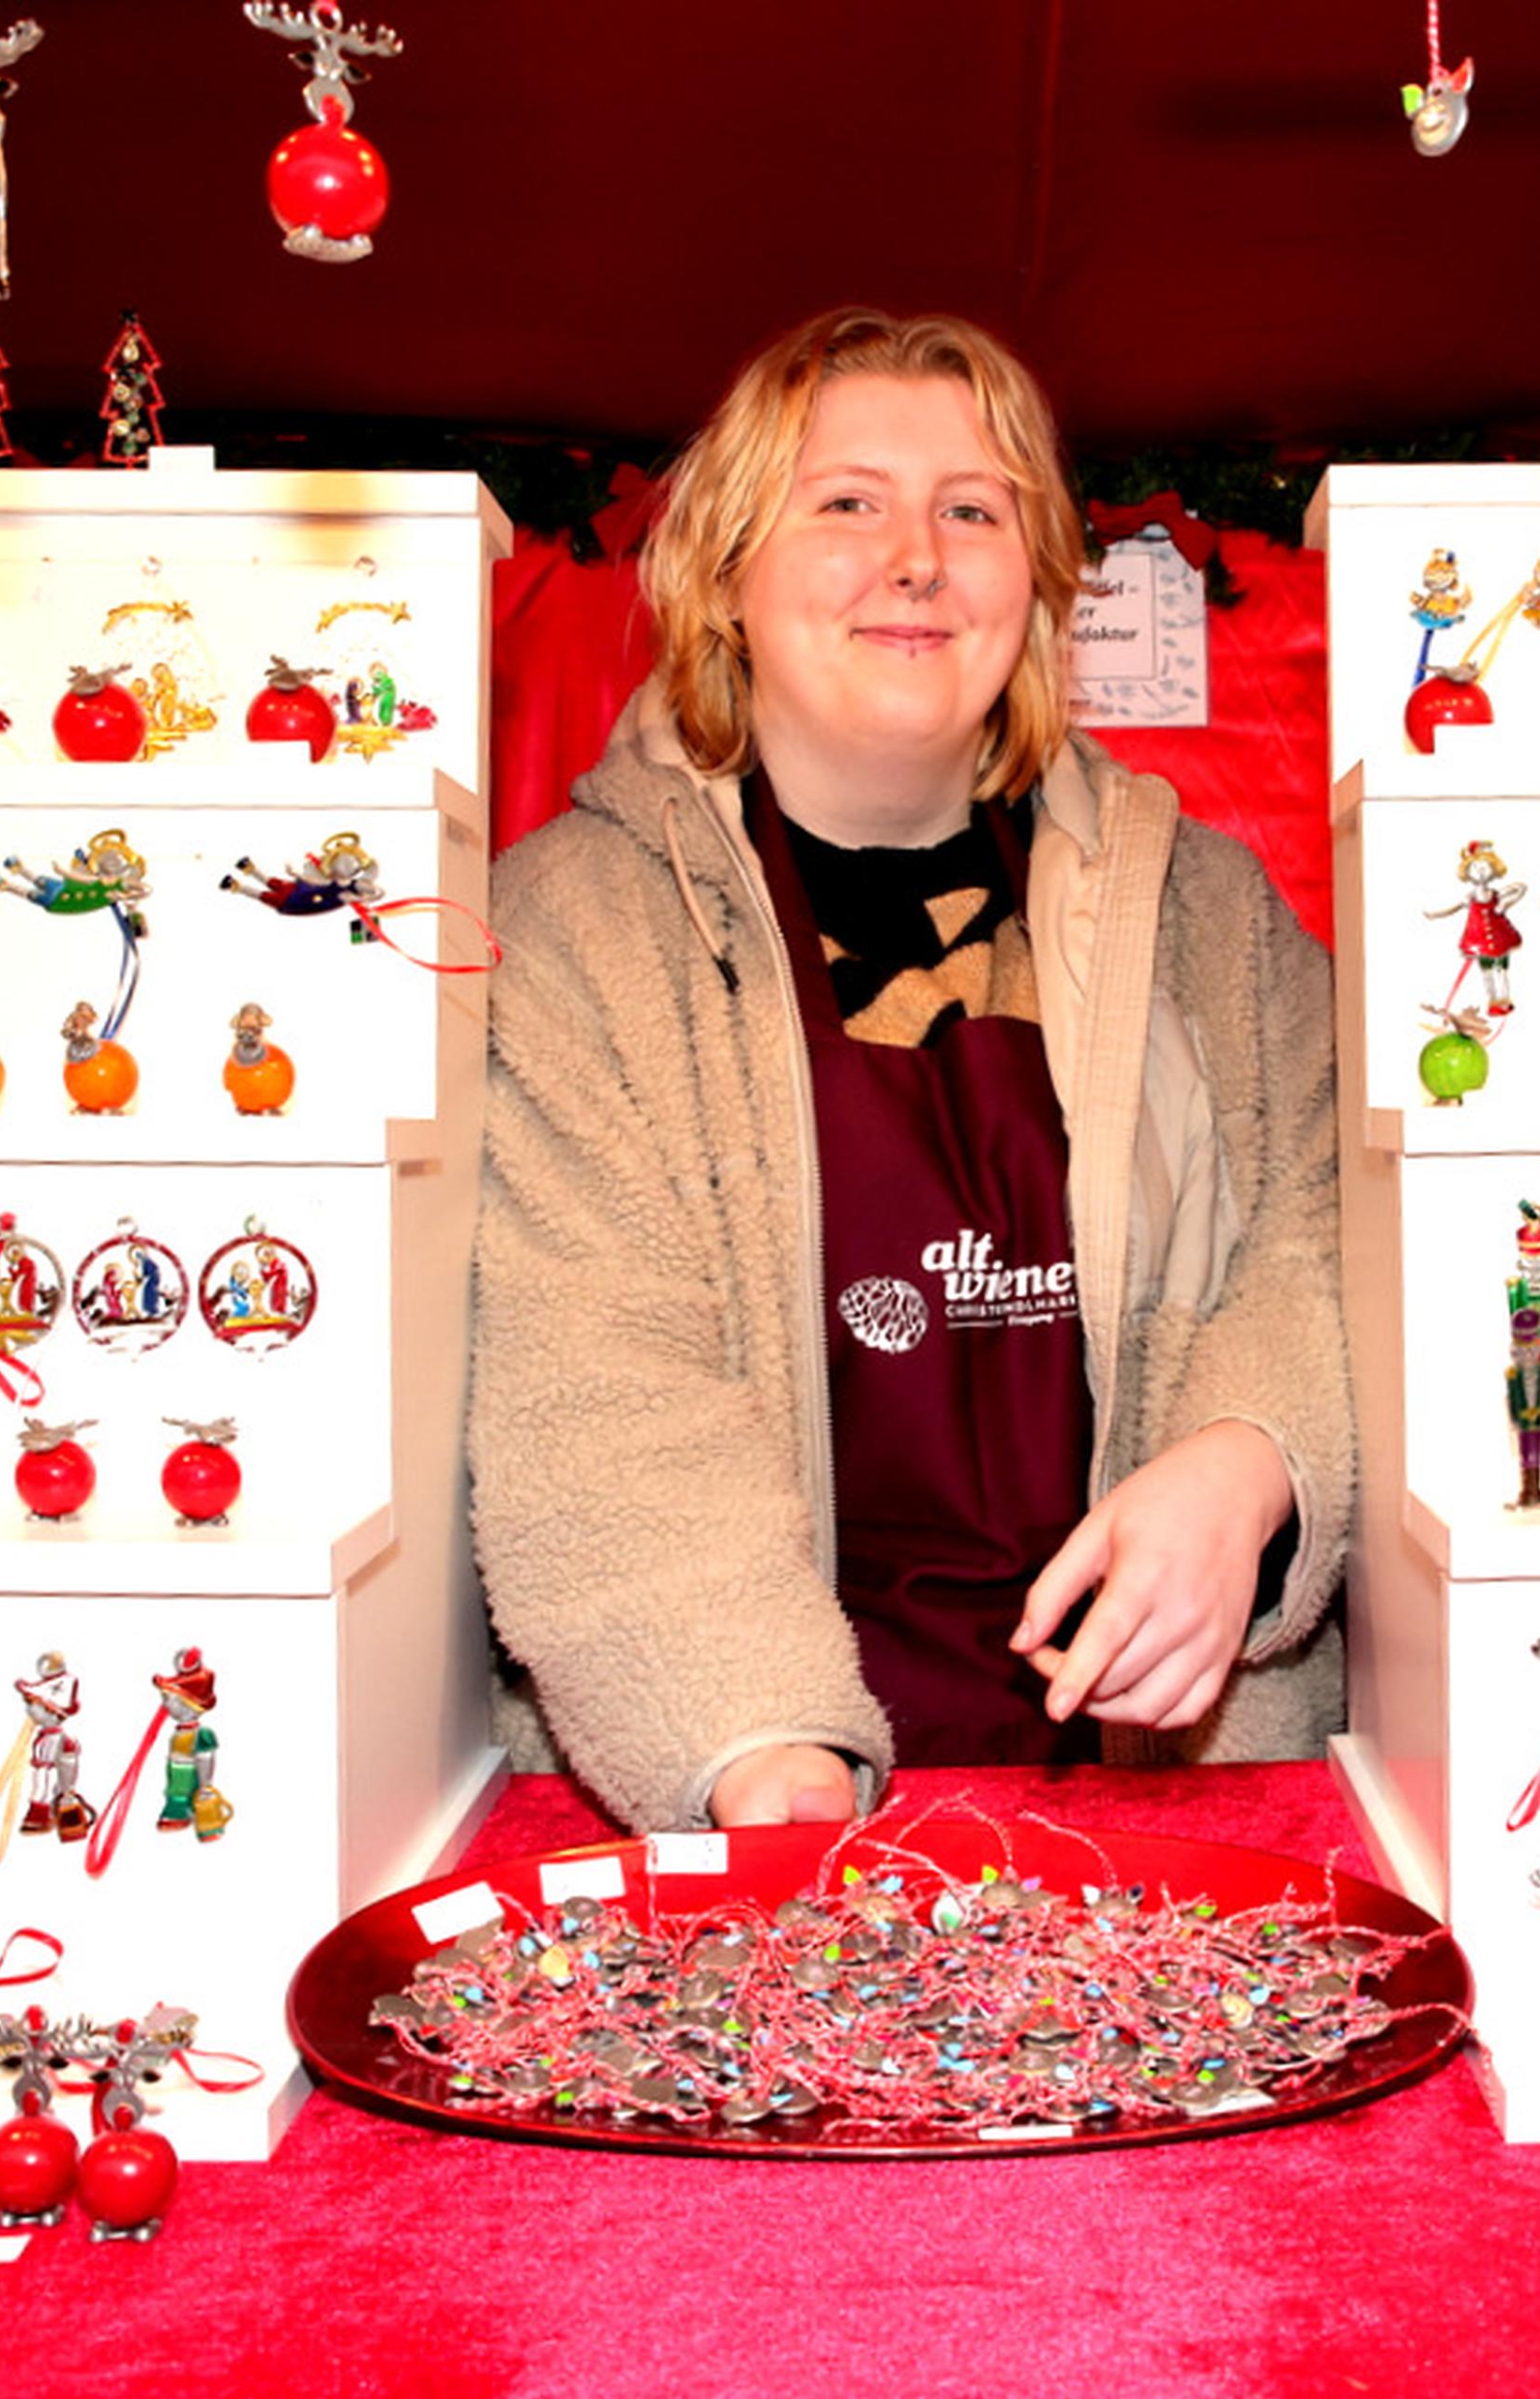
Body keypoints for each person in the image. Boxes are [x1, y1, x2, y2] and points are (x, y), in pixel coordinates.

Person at [470, 309, 1351, 1832]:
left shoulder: (1208, 910)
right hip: (758, 1795)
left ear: (1039, 586)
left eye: (973, 509)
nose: (918, 558)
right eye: (846, 503)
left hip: (1179, 1802)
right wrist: (766, 1767)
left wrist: (1250, 1458)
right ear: (727, 577)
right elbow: (592, 1396)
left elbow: (1328, 1233)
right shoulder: (573, 930)